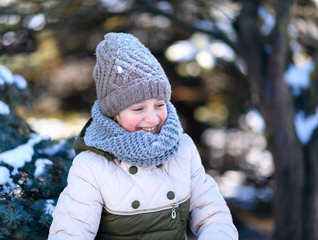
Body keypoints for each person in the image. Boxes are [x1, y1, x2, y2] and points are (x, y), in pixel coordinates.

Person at [48, 32, 238, 240]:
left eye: (159, 105)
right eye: (138, 109)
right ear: (114, 114)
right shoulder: (92, 166)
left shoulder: (182, 148)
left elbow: (212, 213)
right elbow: (71, 232)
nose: (152, 118)